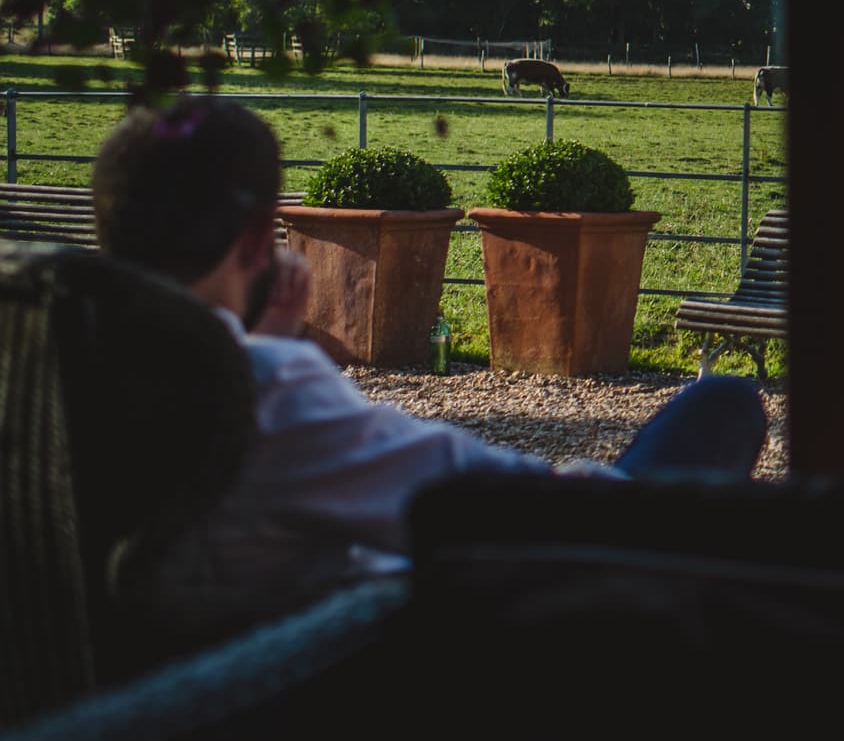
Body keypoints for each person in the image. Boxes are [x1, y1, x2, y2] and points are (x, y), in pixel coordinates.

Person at [89, 95, 769, 632]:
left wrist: (273, 340)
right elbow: (494, 500)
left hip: (178, 687)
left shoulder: (64, 356)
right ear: (259, 235)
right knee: (722, 406)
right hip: (373, 660)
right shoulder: (258, 389)